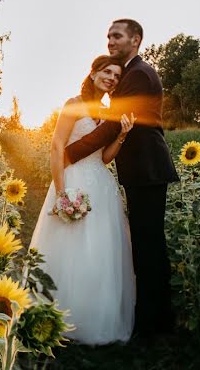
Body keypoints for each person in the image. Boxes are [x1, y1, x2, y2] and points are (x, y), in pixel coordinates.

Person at [64, 19, 179, 340]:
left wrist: (70, 154)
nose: (110, 41)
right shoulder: (131, 73)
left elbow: (113, 124)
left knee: (148, 246)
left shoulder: (139, 75)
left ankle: (154, 325)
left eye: (117, 36)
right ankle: (157, 320)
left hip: (147, 169)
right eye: (108, 36)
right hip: (143, 170)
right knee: (147, 244)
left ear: (136, 39)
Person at [29, 55, 137, 344]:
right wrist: (61, 192)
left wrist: (123, 135)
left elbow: (104, 157)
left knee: (100, 252)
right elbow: (57, 146)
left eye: (116, 75)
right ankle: (57, 315)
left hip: (100, 184)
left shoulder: (107, 113)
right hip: (72, 181)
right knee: (69, 248)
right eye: (107, 72)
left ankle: (94, 316)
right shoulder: (74, 104)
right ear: (93, 73)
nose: (112, 78)